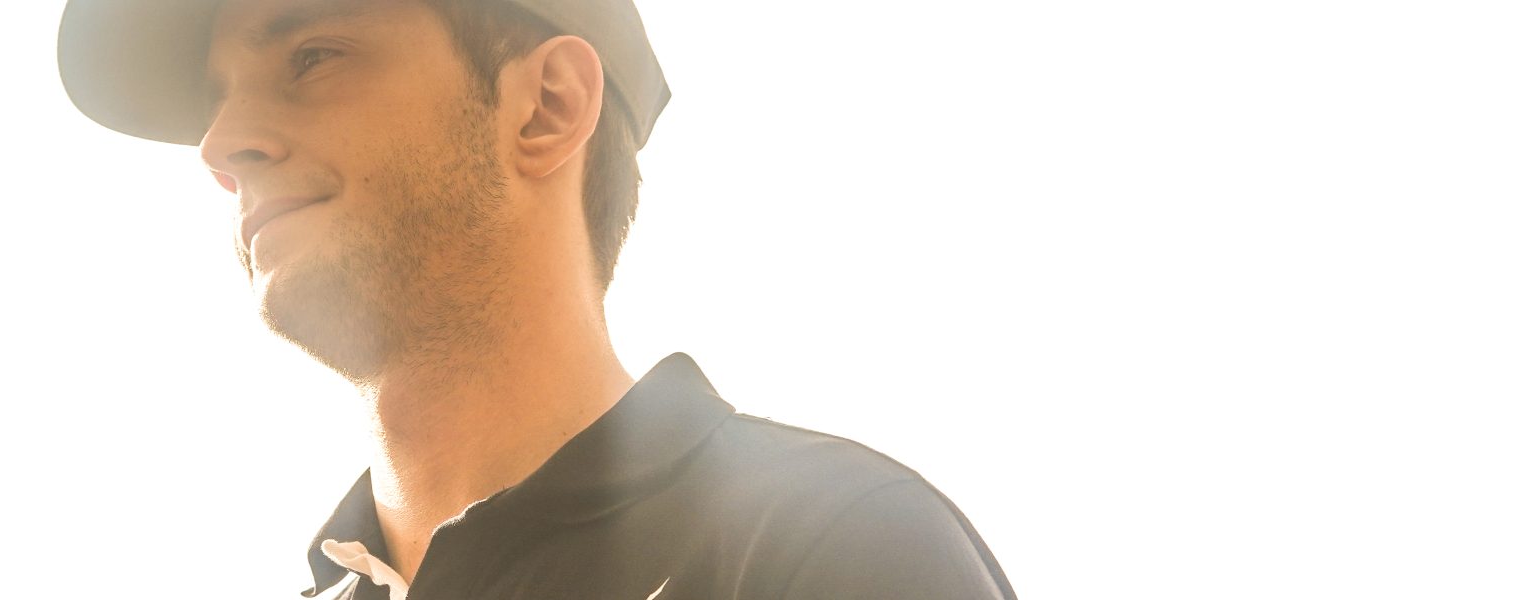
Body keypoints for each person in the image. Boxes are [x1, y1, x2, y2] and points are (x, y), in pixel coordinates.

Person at [58, 0, 1017, 598]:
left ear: (547, 105)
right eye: (218, 96)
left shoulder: (833, 552)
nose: (220, 144)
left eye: (313, 55)